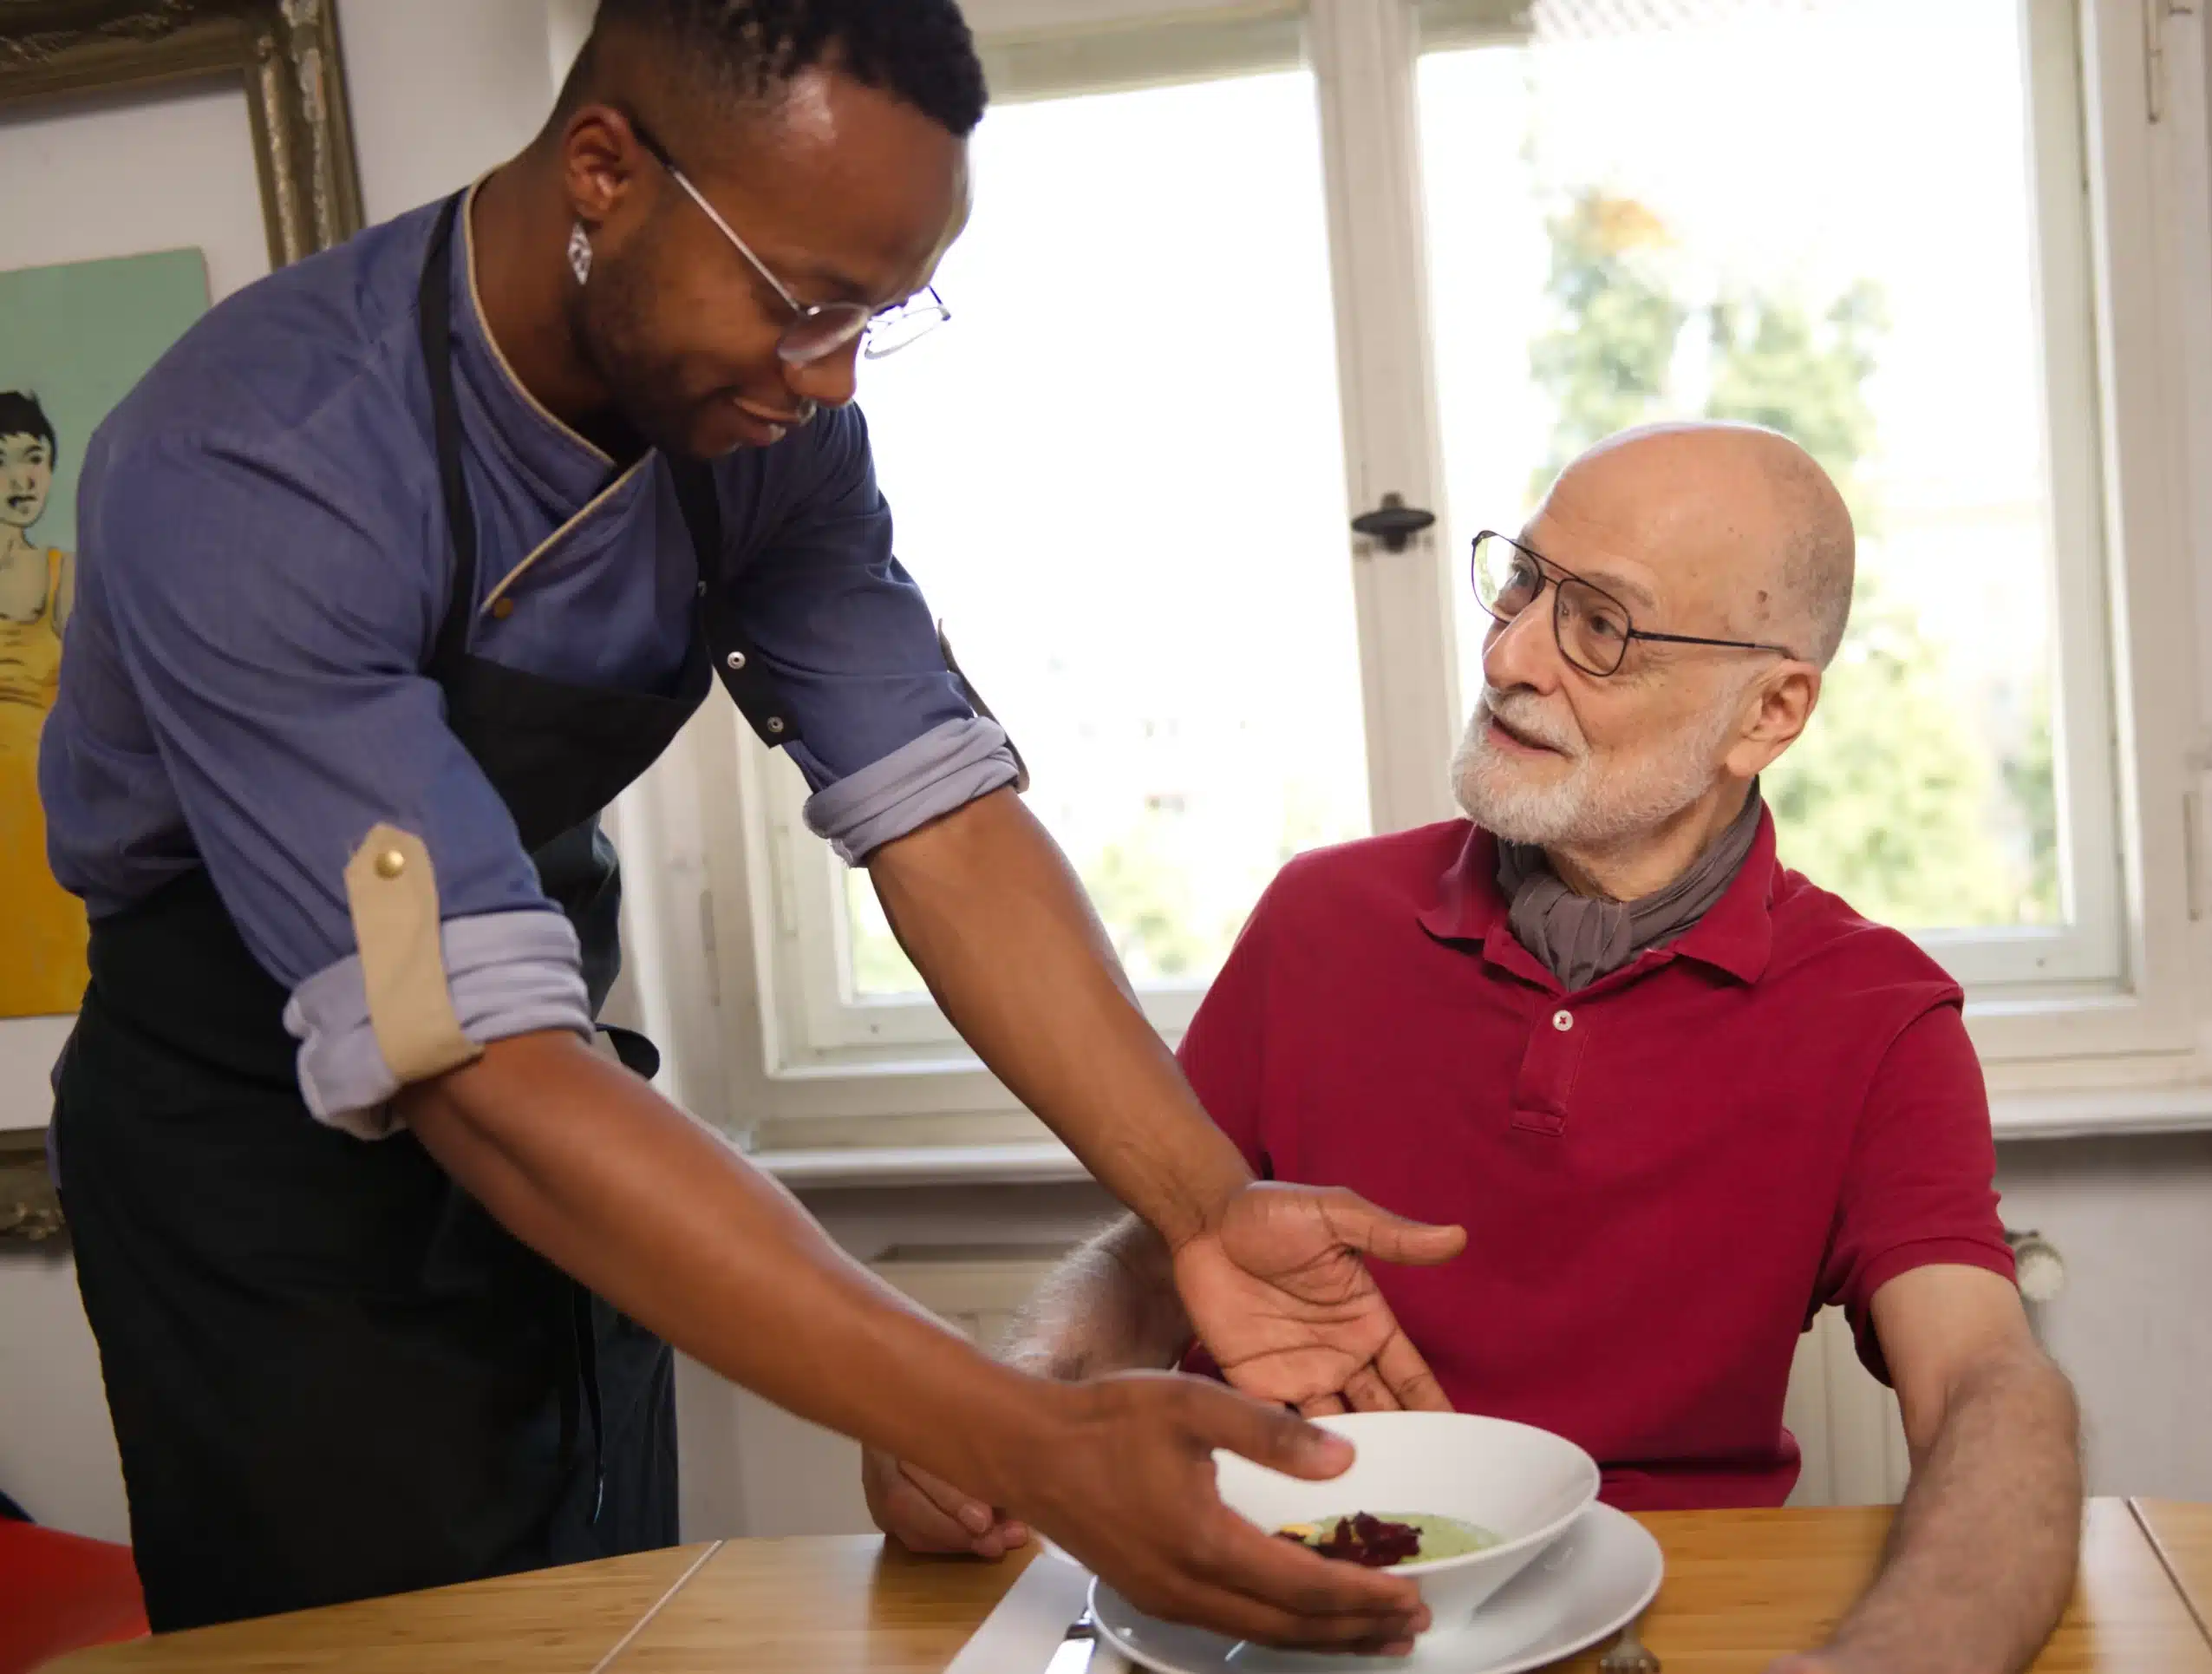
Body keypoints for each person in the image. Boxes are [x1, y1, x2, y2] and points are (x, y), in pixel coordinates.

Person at [37, 1, 1463, 1645]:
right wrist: (1015, 1434)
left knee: (616, 1617)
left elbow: (943, 821)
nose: (836, 374)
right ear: (603, 170)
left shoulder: (766, 434)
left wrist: (1209, 1213)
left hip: (559, 1074)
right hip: (260, 1166)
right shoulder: (260, 465)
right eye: (806, 303)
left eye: (882, 314)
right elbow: (477, 1066)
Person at [865, 423, 2085, 1674]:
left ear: (1768, 712)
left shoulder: (1878, 1011)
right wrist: (1015, 1396)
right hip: (1265, 1602)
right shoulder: (1321, 916)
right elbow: (1173, 1244)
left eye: (1601, 625)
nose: (1508, 655)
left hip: (1659, 1614)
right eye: (1522, 582)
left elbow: (1987, 1382)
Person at [0, 390, 88, 1019]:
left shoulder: (68, 575)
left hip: (37, 811)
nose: (21, 478)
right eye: (2, 461)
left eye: (35, 458)